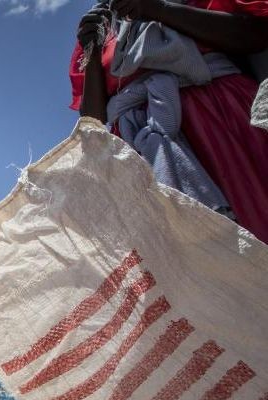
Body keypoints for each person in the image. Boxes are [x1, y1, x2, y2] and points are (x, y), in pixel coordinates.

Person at [72, 0, 268, 243]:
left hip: (223, 120)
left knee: (255, 219)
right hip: (144, 148)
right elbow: (94, 120)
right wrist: (91, 49)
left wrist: (157, 9)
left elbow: (254, 36)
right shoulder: (105, 22)